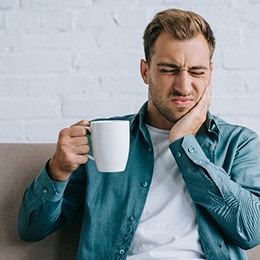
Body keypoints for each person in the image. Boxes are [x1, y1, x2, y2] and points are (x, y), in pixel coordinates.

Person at [18, 8, 260, 260]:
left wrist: (183, 143)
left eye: (197, 72)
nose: (184, 86)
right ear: (145, 71)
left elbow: (252, 231)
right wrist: (57, 170)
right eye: (168, 70)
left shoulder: (238, 143)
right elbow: (31, 230)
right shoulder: (100, 139)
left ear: (210, 74)